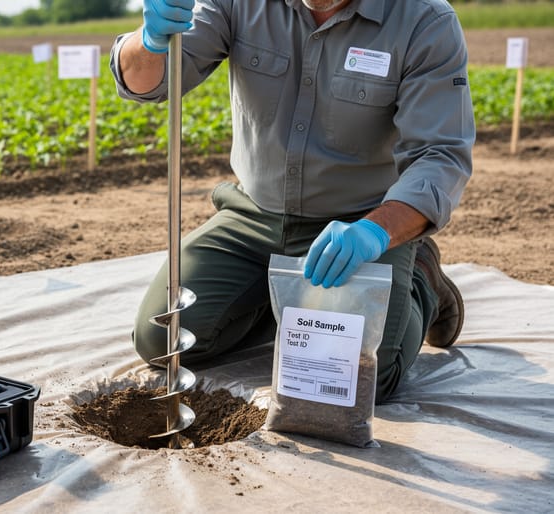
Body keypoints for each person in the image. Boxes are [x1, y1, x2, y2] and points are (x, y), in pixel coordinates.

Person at [110, 0, 474, 403]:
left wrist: (376, 231)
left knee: (363, 378)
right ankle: (289, 297)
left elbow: (440, 155)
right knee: (162, 339)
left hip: (357, 228)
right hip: (254, 216)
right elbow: (149, 83)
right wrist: (149, 41)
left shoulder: (424, 20)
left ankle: (421, 277)